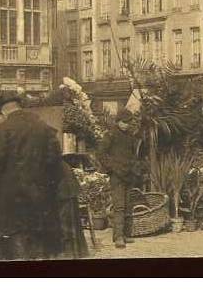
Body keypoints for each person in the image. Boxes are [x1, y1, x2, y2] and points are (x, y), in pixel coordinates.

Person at [0, 91, 63, 260]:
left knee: (16, 234)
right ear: (19, 105)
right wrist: (48, 182)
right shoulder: (43, 126)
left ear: (3, 110)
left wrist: (0, 180)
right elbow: (55, 158)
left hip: (12, 192)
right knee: (39, 231)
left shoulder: (2, 128)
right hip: (40, 189)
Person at [97, 108, 146, 248]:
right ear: (117, 121)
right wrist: (112, 168)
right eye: (124, 122)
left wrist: (135, 167)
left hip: (128, 175)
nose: (126, 125)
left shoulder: (130, 136)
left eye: (128, 122)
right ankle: (118, 237)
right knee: (119, 206)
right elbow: (100, 154)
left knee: (127, 205)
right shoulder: (110, 135)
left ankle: (123, 234)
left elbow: (133, 155)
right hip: (117, 176)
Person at [54, 152, 90, 259]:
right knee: (69, 220)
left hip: (63, 187)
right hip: (64, 185)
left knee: (65, 220)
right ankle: (75, 251)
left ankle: (68, 253)